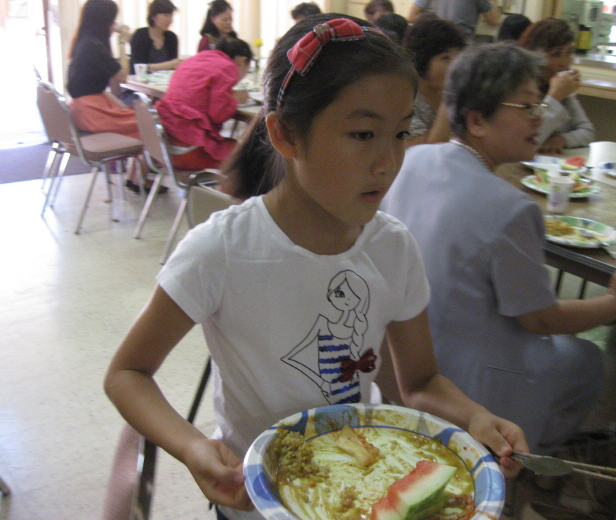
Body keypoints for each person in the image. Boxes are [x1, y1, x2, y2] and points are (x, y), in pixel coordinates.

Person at [104, 15, 528, 520]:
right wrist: (192, 445)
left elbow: (419, 382)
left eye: (400, 133)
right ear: (285, 134)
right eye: (363, 134)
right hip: (257, 501)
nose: (388, 162)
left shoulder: (393, 247)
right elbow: (127, 373)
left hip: (359, 493)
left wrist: (475, 418)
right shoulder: (223, 249)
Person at [381, 42, 616, 454]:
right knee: (587, 358)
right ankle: (534, 454)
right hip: (468, 383)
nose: (539, 117)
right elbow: (541, 319)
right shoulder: (509, 207)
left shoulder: (415, 159)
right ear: (477, 120)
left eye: (539, 105)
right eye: (526, 106)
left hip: (399, 358)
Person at [67, 0, 155, 193]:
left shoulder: (86, 42)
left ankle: (135, 177)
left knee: (142, 118)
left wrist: (118, 105)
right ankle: (138, 177)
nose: (115, 24)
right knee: (149, 124)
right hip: (92, 112)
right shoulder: (93, 46)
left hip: (87, 108)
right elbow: (122, 76)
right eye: (113, 19)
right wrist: (122, 42)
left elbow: (99, 86)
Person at [155, 38, 252, 171]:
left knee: (234, 146)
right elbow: (218, 115)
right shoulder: (228, 67)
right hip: (188, 150)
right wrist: (235, 100)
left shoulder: (197, 59)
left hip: (166, 143)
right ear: (242, 61)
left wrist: (230, 95)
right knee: (245, 153)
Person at [519, 17, 594, 154]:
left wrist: (562, 139)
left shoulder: (563, 91)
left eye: (569, 53)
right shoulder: (519, 88)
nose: (564, 63)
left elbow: (587, 131)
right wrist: (554, 98)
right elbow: (523, 143)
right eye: (556, 54)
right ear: (535, 55)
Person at [402, 16, 466, 147]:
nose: (457, 64)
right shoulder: (404, 98)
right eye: (446, 57)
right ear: (421, 60)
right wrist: (451, 98)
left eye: (459, 56)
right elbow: (430, 149)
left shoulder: (461, 94)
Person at [129, 0, 181, 74]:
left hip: (165, 79)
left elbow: (173, 67)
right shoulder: (140, 35)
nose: (169, 20)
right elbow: (139, 67)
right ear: (153, 16)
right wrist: (168, 65)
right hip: (141, 79)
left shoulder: (172, 37)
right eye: (166, 15)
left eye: (171, 16)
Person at [408, 0, 499, 36]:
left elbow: (411, 17)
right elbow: (493, 21)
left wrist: (433, 19)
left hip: (436, 39)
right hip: (462, 41)